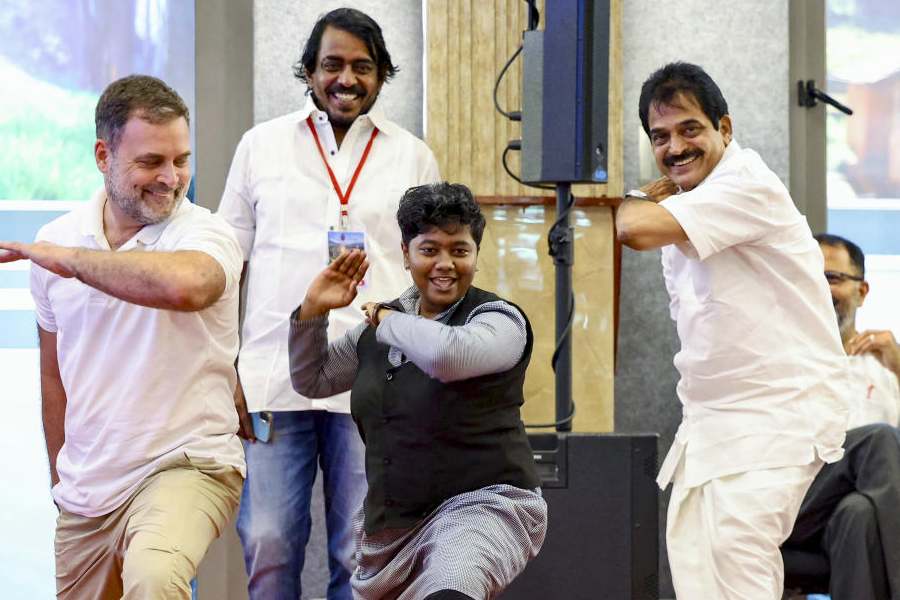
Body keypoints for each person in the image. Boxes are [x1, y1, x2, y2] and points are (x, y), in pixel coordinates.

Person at [216, 7, 440, 599]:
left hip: (375, 383)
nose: (346, 79)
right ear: (310, 72)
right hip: (272, 376)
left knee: (360, 552)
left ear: (381, 74)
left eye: (362, 67)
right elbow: (226, 267)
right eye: (332, 64)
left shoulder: (413, 156)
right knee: (268, 542)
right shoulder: (260, 146)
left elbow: (431, 270)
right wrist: (225, 368)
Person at [0, 75, 245, 599]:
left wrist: (73, 261)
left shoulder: (207, 233)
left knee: (153, 580)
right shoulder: (55, 240)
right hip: (88, 491)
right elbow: (54, 376)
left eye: (181, 160)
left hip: (187, 464)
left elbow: (188, 286)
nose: (171, 178)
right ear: (102, 156)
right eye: (151, 162)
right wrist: (62, 483)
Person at [615, 62, 848, 599]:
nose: (675, 148)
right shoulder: (688, 201)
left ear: (724, 127)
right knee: (696, 561)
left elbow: (631, 228)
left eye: (689, 129)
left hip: (777, 413)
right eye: (660, 136)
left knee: (735, 552)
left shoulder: (746, 184)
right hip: (713, 421)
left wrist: (640, 195)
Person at [288, 182, 547, 600]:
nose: (445, 263)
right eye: (429, 250)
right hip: (391, 533)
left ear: (476, 256)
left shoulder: (499, 320)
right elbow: (312, 379)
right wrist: (312, 312)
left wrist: (383, 316)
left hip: (482, 506)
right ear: (406, 255)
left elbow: (448, 355)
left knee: (452, 583)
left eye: (459, 250)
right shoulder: (376, 332)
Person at [782, 233, 900, 600]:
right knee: (878, 438)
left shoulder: (886, 365)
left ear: (862, 291)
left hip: (859, 514)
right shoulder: (778, 358)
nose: (820, 287)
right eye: (810, 276)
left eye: (832, 278)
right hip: (794, 506)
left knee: (859, 513)